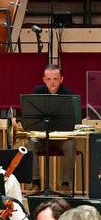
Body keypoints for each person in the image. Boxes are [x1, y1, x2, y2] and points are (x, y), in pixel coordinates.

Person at [22, 64, 77, 192]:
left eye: (55, 79)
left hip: (60, 139)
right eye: (48, 79)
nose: (52, 83)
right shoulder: (38, 92)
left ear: (61, 79)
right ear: (44, 80)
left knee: (71, 144)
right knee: (30, 144)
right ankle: (35, 183)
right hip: (42, 138)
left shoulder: (68, 94)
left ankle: (66, 185)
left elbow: (72, 119)